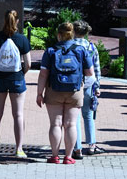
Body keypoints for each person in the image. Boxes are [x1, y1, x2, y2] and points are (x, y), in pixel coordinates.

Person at [36, 22, 94, 165]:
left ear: (59, 35)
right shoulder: (81, 50)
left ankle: (55, 156)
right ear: (72, 34)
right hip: (74, 91)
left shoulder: (50, 51)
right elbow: (90, 73)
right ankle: (68, 157)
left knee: (55, 124)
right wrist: (81, 85)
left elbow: (43, 74)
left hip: (54, 90)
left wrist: (39, 93)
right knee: (71, 124)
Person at [0, 10, 31, 158]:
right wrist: (21, 74)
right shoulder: (22, 40)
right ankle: (19, 149)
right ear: (17, 21)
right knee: (18, 114)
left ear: (4, 20)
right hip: (17, 79)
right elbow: (29, 63)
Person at [72, 20, 103, 159]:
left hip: (74, 84)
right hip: (89, 83)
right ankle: (91, 145)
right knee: (88, 115)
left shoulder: (70, 46)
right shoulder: (91, 47)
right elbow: (96, 69)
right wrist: (97, 86)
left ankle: (77, 147)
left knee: (76, 117)